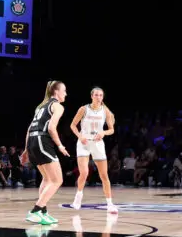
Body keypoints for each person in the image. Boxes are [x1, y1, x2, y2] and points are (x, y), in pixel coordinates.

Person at [25, 81, 70, 225]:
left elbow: (29, 128)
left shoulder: (41, 106)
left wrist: (26, 149)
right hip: (41, 140)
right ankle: (35, 211)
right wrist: (60, 145)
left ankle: (43, 212)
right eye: (64, 91)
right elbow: (51, 128)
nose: (66, 94)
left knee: (47, 178)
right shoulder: (57, 106)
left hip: (32, 141)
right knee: (57, 180)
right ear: (56, 92)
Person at [69, 87, 118, 213]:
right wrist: (80, 136)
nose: (98, 97)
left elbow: (111, 130)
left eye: (100, 95)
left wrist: (103, 133)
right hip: (84, 142)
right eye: (96, 95)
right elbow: (73, 125)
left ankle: (110, 204)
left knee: (104, 175)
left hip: (97, 143)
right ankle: (78, 198)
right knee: (84, 173)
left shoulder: (105, 111)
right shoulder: (83, 109)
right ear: (91, 96)